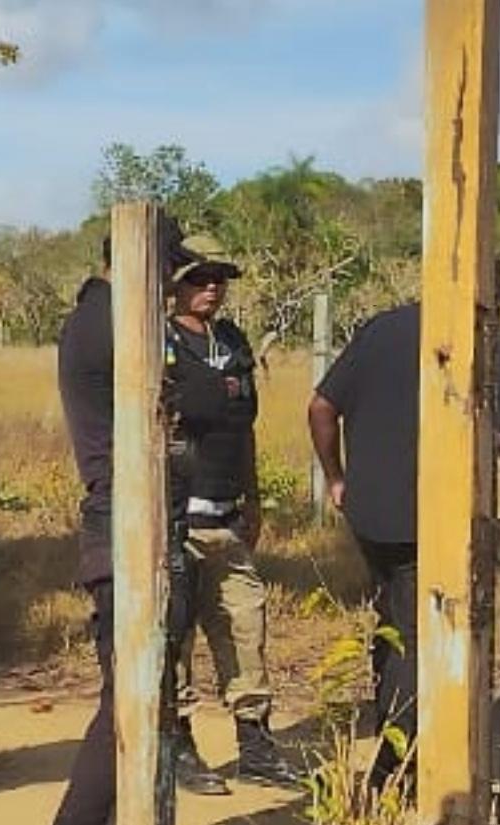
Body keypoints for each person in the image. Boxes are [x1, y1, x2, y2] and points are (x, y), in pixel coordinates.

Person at [26, 232, 211, 825]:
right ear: (139, 261)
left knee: (148, 702)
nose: (175, 282)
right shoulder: (114, 320)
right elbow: (202, 398)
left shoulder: (115, 316)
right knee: (126, 708)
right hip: (128, 529)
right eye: (170, 267)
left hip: (147, 522)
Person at [307, 296, 500, 791]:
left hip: (369, 513)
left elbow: (320, 407)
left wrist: (336, 477)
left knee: (393, 624)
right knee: (418, 637)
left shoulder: (381, 328)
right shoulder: (481, 341)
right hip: (429, 518)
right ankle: (398, 769)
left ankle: (399, 740)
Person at [164, 238, 303, 794]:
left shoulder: (233, 342)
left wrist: (253, 498)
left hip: (227, 517)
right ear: (175, 285)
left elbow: (245, 430)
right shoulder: (160, 343)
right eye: (200, 278)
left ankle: (256, 747)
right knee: (174, 638)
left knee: (246, 626)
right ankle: (178, 746)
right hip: (177, 519)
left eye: (219, 278)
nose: (211, 288)